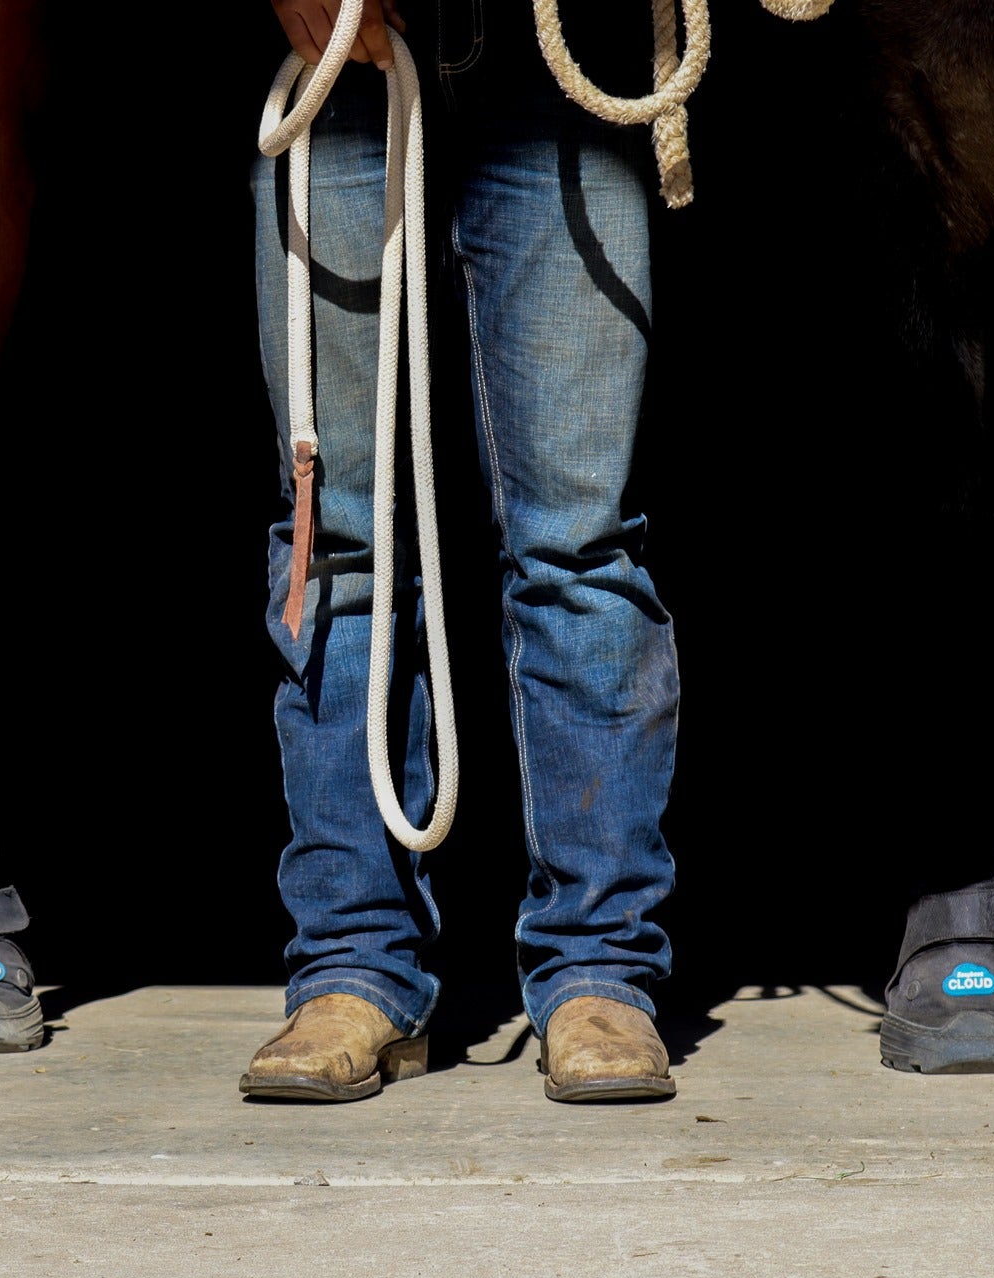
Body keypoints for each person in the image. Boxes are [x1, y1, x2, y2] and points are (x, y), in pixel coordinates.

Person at [240, 0, 682, 1102]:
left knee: (578, 545)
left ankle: (598, 972)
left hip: (563, 46)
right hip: (341, 47)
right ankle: (350, 967)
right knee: (334, 534)